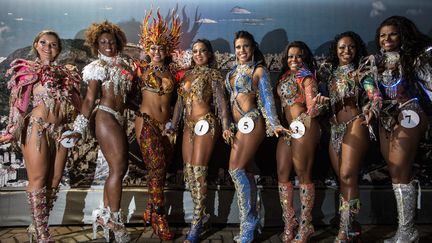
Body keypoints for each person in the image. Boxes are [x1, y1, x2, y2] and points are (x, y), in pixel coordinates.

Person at [0, 30, 81, 242]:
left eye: (53, 44)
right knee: (38, 178)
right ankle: (43, 235)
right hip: (37, 128)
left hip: (61, 131)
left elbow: (76, 104)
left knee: (54, 180)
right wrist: (11, 129)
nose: (48, 47)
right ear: (36, 44)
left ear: (59, 49)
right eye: (43, 42)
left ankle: (36, 226)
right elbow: (17, 103)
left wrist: (78, 128)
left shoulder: (67, 73)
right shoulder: (27, 71)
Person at [360, 16, 432, 243]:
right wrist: (372, 106)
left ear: (402, 35)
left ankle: (407, 231)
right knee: (396, 170)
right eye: (382, 35)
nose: (386, 39)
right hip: (384, 117)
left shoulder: (415, 59)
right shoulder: (373, 62)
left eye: (392, 34)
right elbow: (371, 90)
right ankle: (407, 230)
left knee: (400, 166)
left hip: (409, 111)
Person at [68, 21, 133, 242]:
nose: (108, 46)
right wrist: (79, 127)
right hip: (105, 116)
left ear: (119, 43)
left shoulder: (125, 65)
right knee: (119, 168)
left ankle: (104, 214)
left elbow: (128, 98)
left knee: (115, 170)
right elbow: (89, 98)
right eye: (103, 42)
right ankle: (115, 219)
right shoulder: (97, 67)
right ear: (96, 44)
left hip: (119, 118)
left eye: (112, 42)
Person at [165, 39, 233, 243]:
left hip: (205, 123)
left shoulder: (213, 75)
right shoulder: (186, 75)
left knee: (198, 170)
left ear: (210, 54)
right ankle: (202, 215)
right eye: (195, 51)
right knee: (188, 171)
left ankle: (196, 222)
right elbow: (178, 104)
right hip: (187, 126)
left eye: (203, 51)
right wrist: (172, 125)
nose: (198, 54)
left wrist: (226, 125)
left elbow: (221, 104)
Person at [316, 32, 380, 242]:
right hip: (335, 129)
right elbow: (324, 102)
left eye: (351, 47)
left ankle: (345, 232)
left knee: (346, 176)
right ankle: (352, 226)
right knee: (343, 180)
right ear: (336, 50)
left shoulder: (362, 73)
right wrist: (320, 103)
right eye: (342, 47)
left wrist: (372, 105)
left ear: (357, 49)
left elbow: (374, 94)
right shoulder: (330, 75)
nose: (346, 51)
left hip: (356, 125)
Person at [226, 30, 288, 243]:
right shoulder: (232, 71)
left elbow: (268, 100)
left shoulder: (259, 70)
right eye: (238, 47)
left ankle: (249, 223)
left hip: (252, 121)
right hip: (238, 126)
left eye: (245, 46)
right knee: (247, 172)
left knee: (235, 169)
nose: (241, 50)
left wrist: (275, 123)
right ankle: (252, 224)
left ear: (253, 48)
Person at [133, 9, 180, 240]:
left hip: (167, 127)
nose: (157, 52)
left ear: (167, 49)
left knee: (159, 171)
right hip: (147, 122)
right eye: (152, 47)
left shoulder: (174, 72)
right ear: (146, 48)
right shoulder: (139, 69)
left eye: (161, 48)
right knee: (157, 166)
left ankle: (150, 210)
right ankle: (160, 216)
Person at [275, 41, 322, 243]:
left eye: (298, 56)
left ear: (305, 58)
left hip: (303, 126)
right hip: (288, 130)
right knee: (283, 174)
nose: (294, 60)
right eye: (290, 56)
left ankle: (305, 225)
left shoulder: (307, 77)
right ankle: (290, 222)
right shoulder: (285, 77)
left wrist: (317, 107)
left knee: (303, 174)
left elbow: (312, 107)